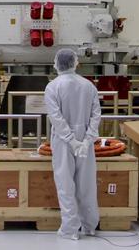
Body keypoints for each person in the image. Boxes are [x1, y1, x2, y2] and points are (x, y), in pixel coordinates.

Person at [44, 48, 101, 241]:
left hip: (63, 141)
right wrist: (86, 140)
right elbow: (96, 115)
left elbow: (56, 118)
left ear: (57, 63)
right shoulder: (89, 86)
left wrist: (71, 140)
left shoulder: (53, 87)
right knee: (87, 184)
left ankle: (70, 229)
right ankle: (90, 225)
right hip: (85, 139)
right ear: (76, 63)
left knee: (65, 184)